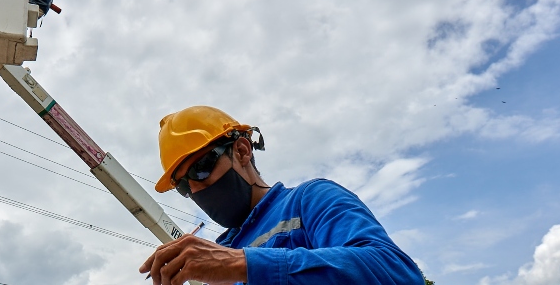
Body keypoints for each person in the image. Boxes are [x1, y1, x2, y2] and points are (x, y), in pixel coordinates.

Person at [139, 106, 424, 285]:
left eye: (202, 169)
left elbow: (395, 273)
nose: (198, 188)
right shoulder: (218, 258)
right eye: (185, 186)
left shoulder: (310, 200)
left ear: (241, 151)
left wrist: (242, 264)